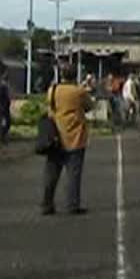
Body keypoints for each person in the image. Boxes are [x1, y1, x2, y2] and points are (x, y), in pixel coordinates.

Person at [43, 67, 94, 215]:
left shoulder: (52, 90)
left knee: (51, 174)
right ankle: (73, 205)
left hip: (54, 137)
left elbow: (50, 107)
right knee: (73, 174)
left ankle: (47, 204)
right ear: (74, 76)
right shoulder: (79, 92)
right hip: (75, 137)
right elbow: (89, 107)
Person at [0, 73, 11, 145]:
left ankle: (1, 138)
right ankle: (2, 139)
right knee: (4, 124)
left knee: (2, 123)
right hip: (3, 109)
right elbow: (7, 99)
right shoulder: (4, 87)